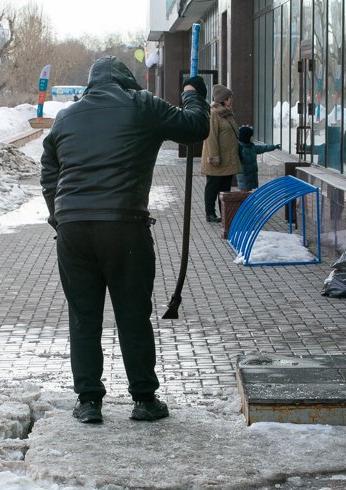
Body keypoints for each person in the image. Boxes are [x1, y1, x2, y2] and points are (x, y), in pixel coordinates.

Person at [40, 56, 209, 424]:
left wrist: (60, 215)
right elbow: (196, 127)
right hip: (124, 226)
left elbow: (48, 170)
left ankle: (88, 402)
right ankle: (144, 400)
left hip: (73, 231)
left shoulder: (66, 117)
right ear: (127, 82)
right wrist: (194, 93)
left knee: (83, 317)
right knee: (132, 315)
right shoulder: (142, 105)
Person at [201, 84, 241, 222]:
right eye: (230, 98)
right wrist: (214, 157)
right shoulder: (213, 114)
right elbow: (210, 137)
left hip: (228, 159)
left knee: (225, 189)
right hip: (217, 159)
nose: (232, 100)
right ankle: (210, 213)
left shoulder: (226, 114)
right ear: (223, 99)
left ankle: (225, 213)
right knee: (212, 187)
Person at [236, 125, 280, 191]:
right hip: (244, 177)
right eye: (251, 136)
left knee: (249, 193)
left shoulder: (252, 147)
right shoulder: (239, 148)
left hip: (252, 176)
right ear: (246, 137)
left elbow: (263, 148)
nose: (252, 138)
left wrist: (274, 147)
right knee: (244, 193)